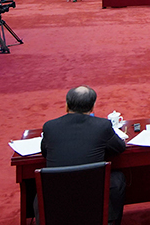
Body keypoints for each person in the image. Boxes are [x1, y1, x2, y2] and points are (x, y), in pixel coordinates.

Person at [41, 86, 126, 225]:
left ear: (66, 105)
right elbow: (120, 148)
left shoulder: (50, 127)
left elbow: (45, 152)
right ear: (92, 107)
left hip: (57, 194)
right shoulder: (103, 126)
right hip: (92, 193)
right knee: (118, 179)